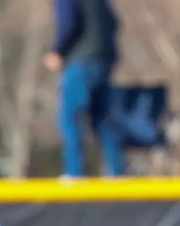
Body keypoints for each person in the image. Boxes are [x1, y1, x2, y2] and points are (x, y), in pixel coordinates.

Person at [44, 0, 124, 177]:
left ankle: (74, 173)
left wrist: (58, 51)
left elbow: (68, 23)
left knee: (70, 117)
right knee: (102, 119)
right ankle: (117, 172)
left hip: (81, 62)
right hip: (104, 60)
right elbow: (113, 22)